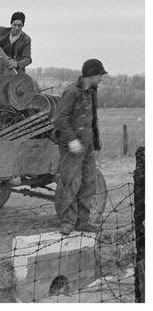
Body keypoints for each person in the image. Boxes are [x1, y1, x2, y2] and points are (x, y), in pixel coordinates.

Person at [53, 59, 108, 235]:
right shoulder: (72, 92)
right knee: (70, 183)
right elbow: (60, 118)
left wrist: (96, 139)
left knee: (89, 183)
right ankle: (67, 223)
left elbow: (92, 117)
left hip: (88, 146)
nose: (101, 78)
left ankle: (82, 222)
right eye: (100, 75)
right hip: (72, 147)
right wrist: (71, 140)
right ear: (91, 75)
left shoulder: (92, 91)